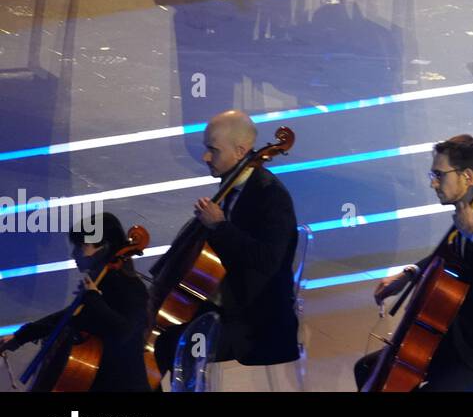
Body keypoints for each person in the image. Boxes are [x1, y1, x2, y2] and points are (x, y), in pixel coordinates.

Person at [356, 135, 473, 391]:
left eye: (439, 175)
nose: (434, 183)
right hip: (458, 340)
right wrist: (410, 273)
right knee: (367, 369)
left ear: (468, 177)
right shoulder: (468, 211)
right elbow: (448, 253)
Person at [148, 110, 301, 390]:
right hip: (224, 305)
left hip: (256, 320)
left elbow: (267, 261)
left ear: (241, 150)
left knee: (167, 342)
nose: (206, 157)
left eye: (212, 150)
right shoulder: (231, 186)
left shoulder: (271, 195)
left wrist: (220, 227)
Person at [0, 213, 151, 392]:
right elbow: (71, 315)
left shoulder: (131, 287)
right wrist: (21, 336)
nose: (75, 254)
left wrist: (94, 299)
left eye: (83, 246)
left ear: (104, 247)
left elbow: (125, 332)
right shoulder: (100, 281)